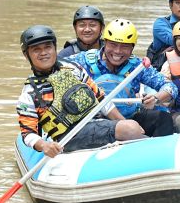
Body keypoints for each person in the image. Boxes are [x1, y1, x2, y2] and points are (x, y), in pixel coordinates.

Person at [16, 25, 145, 158]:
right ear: (27, 55)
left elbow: (101, 99)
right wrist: (44, 145)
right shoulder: (29, 94)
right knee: (130, 128)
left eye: (48, 47)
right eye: (36, 50)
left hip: (96, 122)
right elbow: (27, 133)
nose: (43, 53)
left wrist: (123, 121)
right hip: (70, 137)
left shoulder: (73, 69)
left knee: (131, 126)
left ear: (54, 48)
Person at [70, 18, 178, 137]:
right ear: (105, 43)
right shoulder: (82, 60)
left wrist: (156, 98)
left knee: (163, 118)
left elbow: (171, 87)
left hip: (129, 116)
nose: (117, 51)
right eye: (113, 45)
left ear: (132, 48)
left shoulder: (138, 66)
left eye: (125, 47)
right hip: (93, 119)